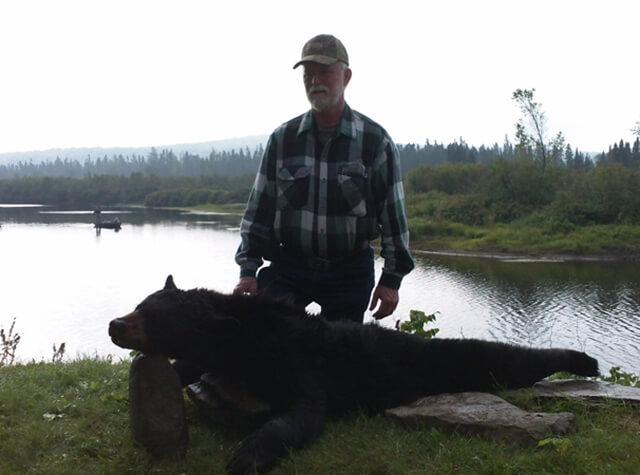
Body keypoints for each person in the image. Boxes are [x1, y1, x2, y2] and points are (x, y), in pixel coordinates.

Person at [233, 34, 414, 322]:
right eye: (308, 74)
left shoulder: (375, 141)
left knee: (341, 359)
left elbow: (394, 219)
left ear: (347, 76)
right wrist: (247, 271)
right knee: (267, 344)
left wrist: (391, 280)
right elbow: (258, 212)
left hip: (349, 270)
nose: (315, 81)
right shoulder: (283, 139)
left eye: (325, 72)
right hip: (289, 265)